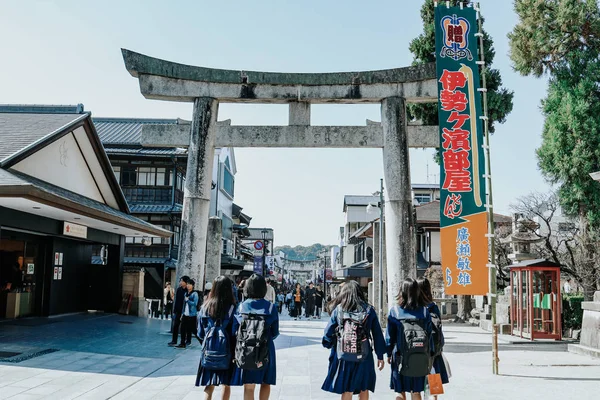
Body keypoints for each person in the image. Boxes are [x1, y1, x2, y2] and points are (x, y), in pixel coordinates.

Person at [321, 280, 386, 399]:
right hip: (364, 356)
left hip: (344, 355)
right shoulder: (368, 310)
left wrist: (329, 344)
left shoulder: (339, 310)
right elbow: (377, 334)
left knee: (347, 389)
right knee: (364, 387)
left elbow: (328, 333)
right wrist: (380, 355)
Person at [232, 274, 279, 400]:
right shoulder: (270, 307)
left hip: (246, 349)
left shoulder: (241, 307)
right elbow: (275, 332)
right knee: (265, 383)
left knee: (249, 386)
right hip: (266, 348)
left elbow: (235, 330)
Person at [386, 278, 433, 400]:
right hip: (420, 356)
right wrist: (430, 353)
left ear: (402, 291)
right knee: (416, 391)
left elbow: (390, 336)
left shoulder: (395, 311)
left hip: (400, 356)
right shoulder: (423, 311)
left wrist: (388, 354)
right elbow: (429, 334)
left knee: (399, 391)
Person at [196, 276, 240, 400]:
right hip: (227, 351)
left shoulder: (204, 308)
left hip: (209, 351)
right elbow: (234, 332)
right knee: (226, 384)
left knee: (209, 385)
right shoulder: (232, 308)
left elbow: (199, 333)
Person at [417, 277, 448, 400]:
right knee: (434, 376)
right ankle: (434, 398)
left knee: (418, 382)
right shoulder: (433, 306)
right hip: (434, 349)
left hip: (419, 349)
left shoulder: (416, 308)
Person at [177, 279, 199, 349]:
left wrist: (188, 300)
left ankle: (202, 341)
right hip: (185, 314)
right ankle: (182, 343)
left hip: (192, 315)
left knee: (193, 330)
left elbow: (195, 304)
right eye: (188, 284)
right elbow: (184, 304)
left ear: (193, 286)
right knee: (182, 329)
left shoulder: (195, 294)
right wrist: (182, 313)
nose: (188, 286)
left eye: (190, 284)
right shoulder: (185, 293)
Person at [168, 276, 189, 346]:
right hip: (178, 311)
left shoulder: (188, 291)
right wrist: (174, 310)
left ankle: (184, 341)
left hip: (185, 312)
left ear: (186, 282)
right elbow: (176, 301)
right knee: (176, 325)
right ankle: (174, 340)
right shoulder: (179, 289)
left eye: (182, 281)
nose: (180, 282)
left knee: (184, 327)